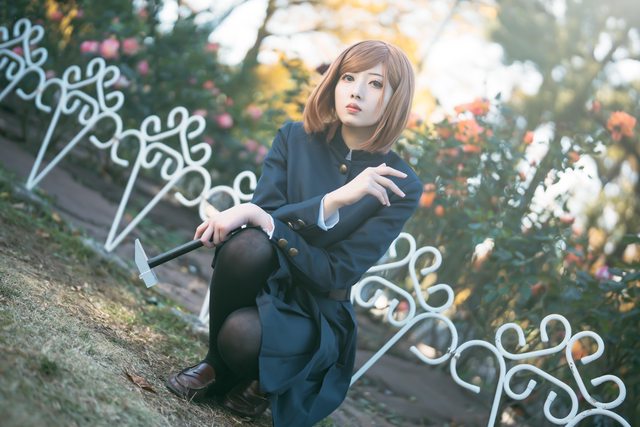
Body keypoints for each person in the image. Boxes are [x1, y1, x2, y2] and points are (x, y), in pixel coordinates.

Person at [166, 40, 422, 426]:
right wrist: (325, 204)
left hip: (316, 311)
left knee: (242, 334)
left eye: (375, 84)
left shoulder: (401, 183)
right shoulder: (294, 138)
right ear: (333, 82)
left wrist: (324, 204)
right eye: (348, 78)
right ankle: (215, 366)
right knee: (248, 245)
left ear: (395, 99)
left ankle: (260, 379)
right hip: (263, 279)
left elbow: (336, 273)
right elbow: (261, 225)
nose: (356, 91)